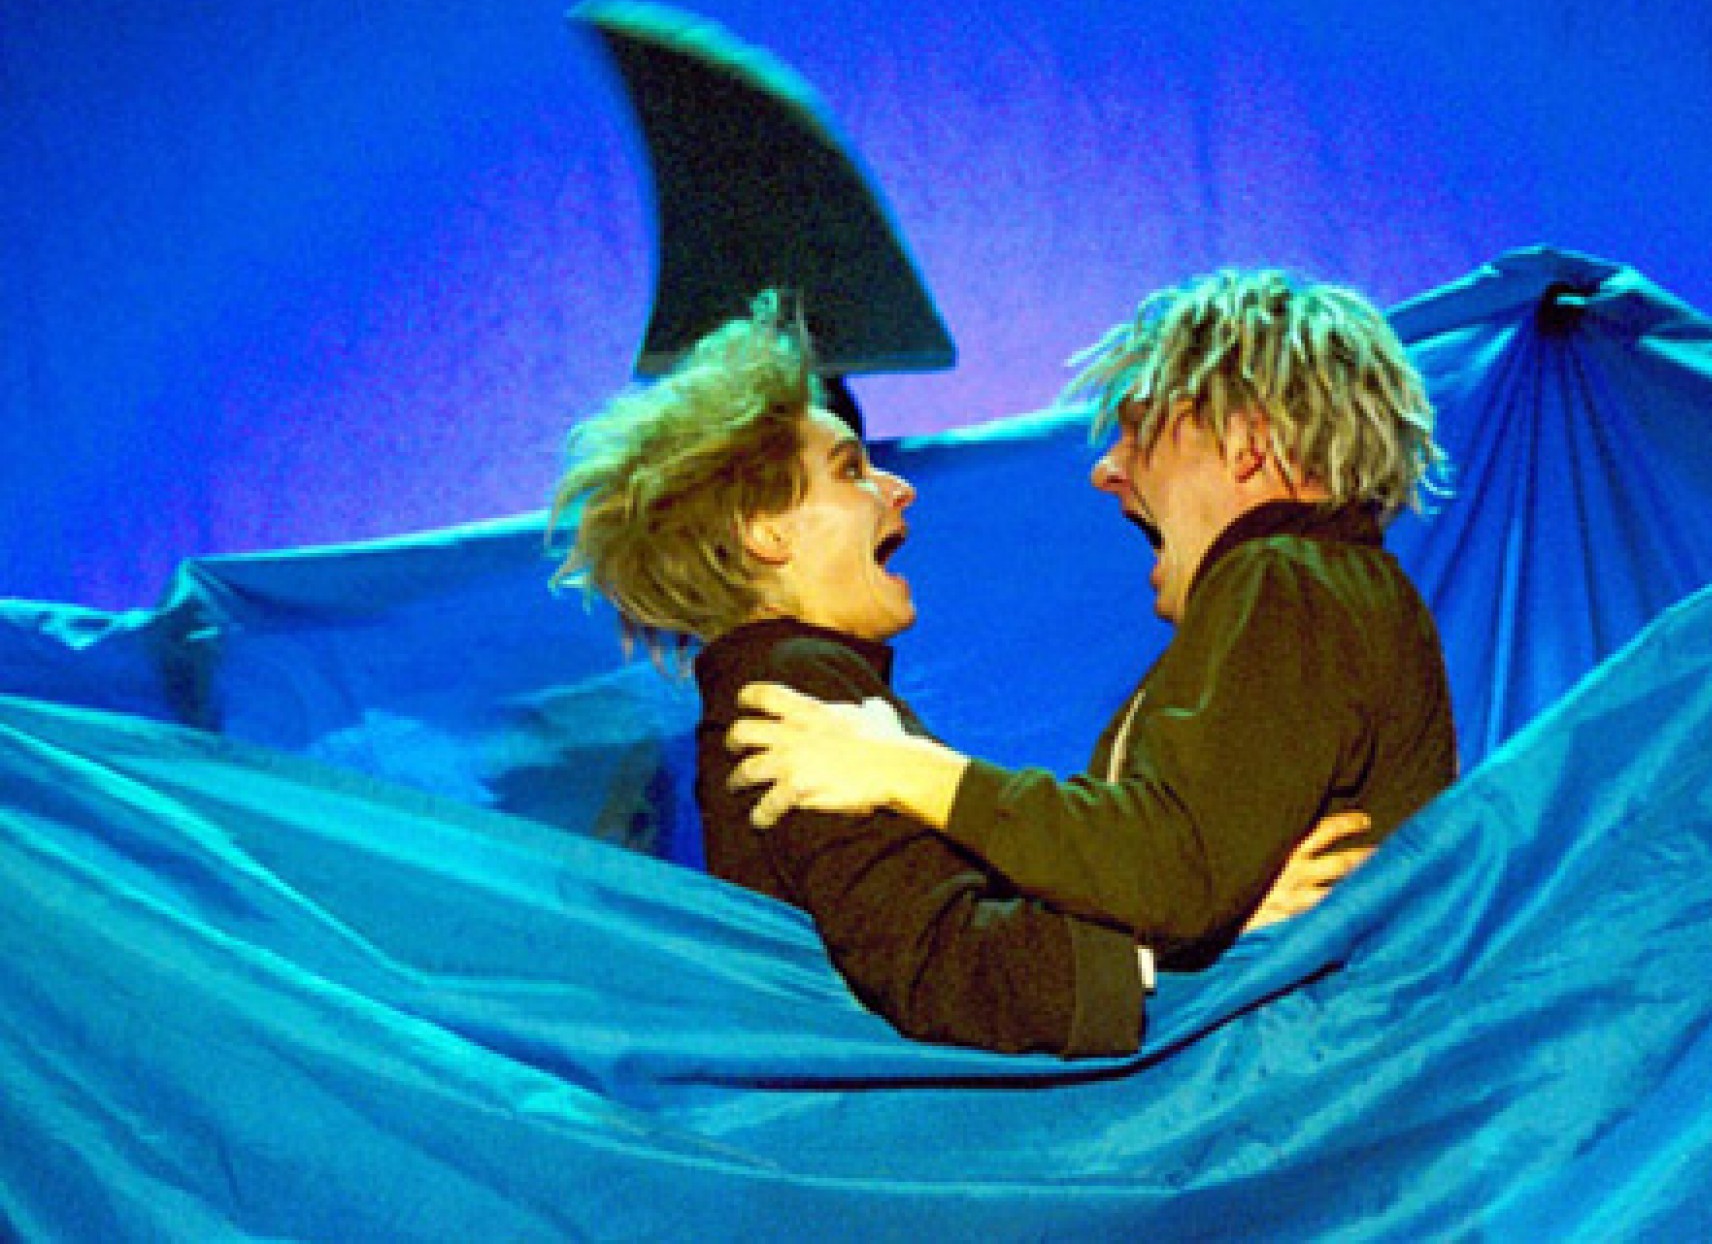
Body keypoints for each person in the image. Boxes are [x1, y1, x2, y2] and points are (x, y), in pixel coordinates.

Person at [549, 291, 1363, 1058]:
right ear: (764, 530)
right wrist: (1208, 932)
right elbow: (934, 962)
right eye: (850, 470)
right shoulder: (797, 698)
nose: (898, 489)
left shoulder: (785, 687)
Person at [730, 268, 1459, 970]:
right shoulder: (1318, 588)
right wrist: (1214, 929)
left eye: (1140, 432)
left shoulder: (1287, 578)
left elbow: (1172, 872)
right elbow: (1171, 881)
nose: (1107, 469)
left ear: (1248, 443)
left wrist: (904, 769)